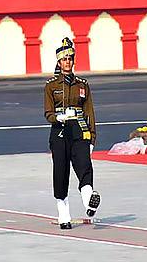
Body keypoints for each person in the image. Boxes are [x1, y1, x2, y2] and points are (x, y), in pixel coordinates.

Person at [44, 38, 100, 229]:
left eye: (70, 58)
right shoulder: (51, 86)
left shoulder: (82, 85)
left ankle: (88, 202)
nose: (67, 62)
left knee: (85, 166)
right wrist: (57, 118)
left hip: (79, 131)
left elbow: (90, 111)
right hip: (59, 132)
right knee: (61, 173)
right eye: (64, 59)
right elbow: (48, 112)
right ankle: (63, 213)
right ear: (59, 62)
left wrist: (92, 136)